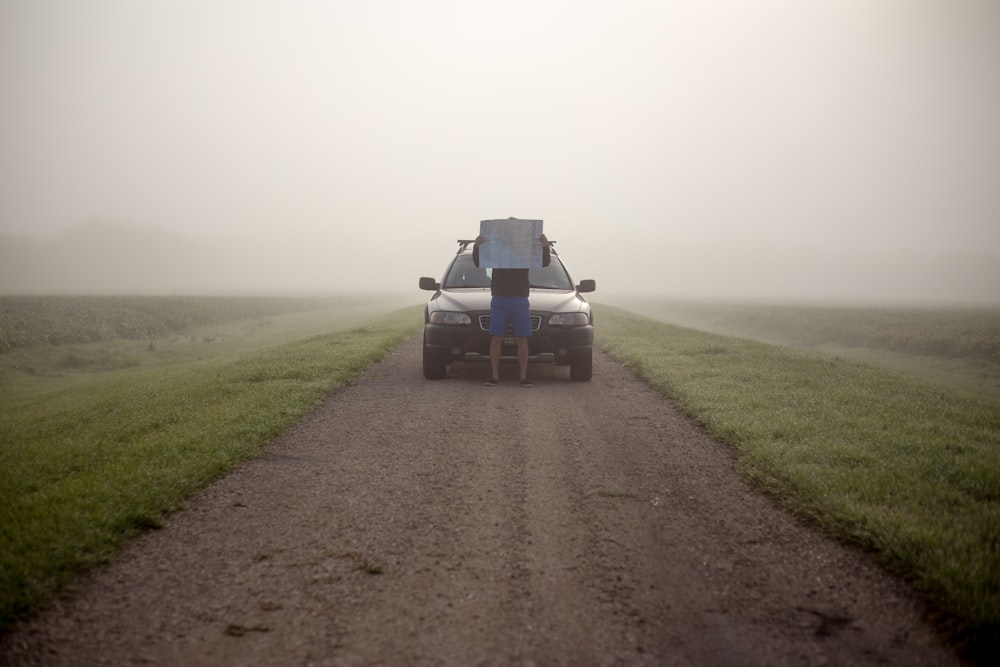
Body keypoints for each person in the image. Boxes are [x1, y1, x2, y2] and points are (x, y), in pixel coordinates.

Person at [472, 232, 550, 387]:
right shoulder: (497, 251)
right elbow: (479, 261)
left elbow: (545, 262)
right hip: (500, 297)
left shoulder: (525, 252)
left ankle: (523, 377)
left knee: (522, 339)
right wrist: (476, 246)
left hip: (520, 298)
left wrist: (545, 246)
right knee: (496, 338)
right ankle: (494, 376)